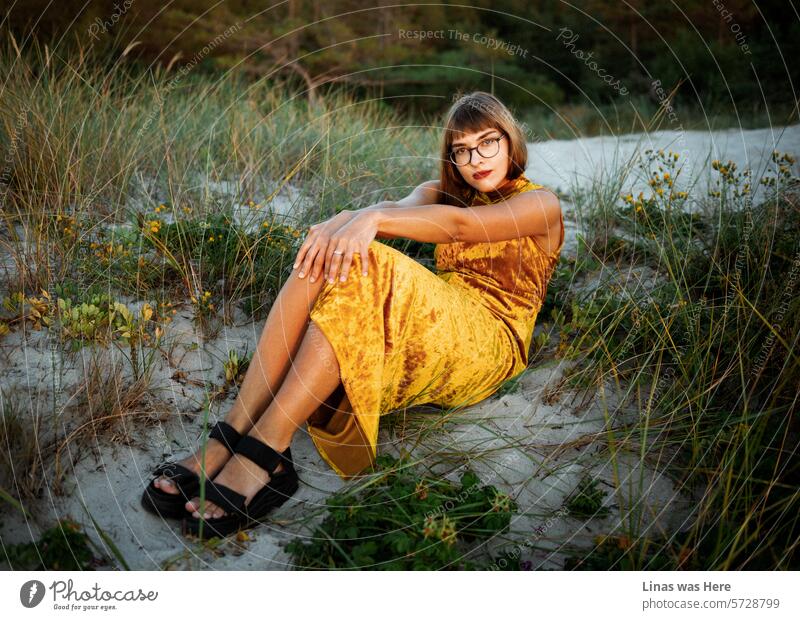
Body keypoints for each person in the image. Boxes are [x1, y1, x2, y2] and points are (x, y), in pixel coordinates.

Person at [141, 91, 564, 539]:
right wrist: (344, 220)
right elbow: (399, 208)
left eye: (487, 142)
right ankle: (229, 433)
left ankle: (268, 449)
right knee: (331, 256)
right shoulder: (445, 193)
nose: (475, 158)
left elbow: (463, 228)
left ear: (510, 140)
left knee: (374, 258)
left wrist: (371, 220)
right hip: (443, 321)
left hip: (490, 344)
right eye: (461, 149)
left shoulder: (541, 204)